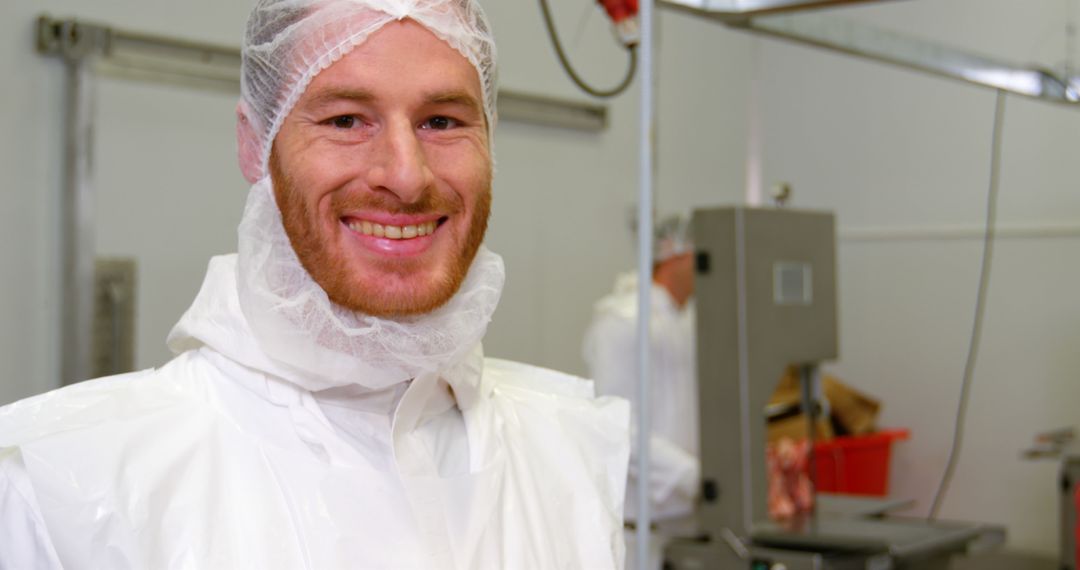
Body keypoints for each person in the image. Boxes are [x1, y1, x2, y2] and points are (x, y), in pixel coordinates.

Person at [0, 1, 630, 568]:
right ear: (255, 145)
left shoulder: (567, 459)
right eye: (347, 119)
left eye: (441, 122)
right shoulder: (64, 487)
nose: (406, 177)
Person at [582, 214, 699, 569]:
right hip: (640, 538)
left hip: (683, 527)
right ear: (674, 254)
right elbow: (617, 426)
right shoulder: (623, 321)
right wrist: (693, 476)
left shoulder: (684, 321)